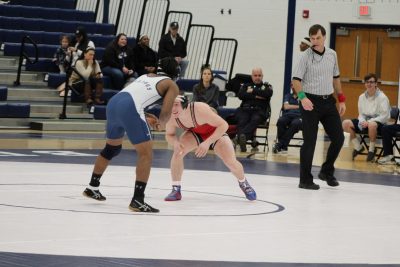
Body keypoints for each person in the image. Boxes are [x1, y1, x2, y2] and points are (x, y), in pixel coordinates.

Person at [82, 57, 180, 213]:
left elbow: (134, 97)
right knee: (146, 154)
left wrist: (145, 115)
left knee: (111, 149)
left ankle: (92, 187)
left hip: (114, 104)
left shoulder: (145, 76)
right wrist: (161, 124)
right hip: (130, 107)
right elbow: (166, 112)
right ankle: (138, 200)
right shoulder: (171, 84)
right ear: (175, 72)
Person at [163, 95, 257, 201]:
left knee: (230, 161)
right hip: (196, 132)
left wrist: (207, 143)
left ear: (185, 105)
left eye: (176, 105)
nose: (173, 109)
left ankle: (243, 182)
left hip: (216, 131)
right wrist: (175, 143)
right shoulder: (170, 116)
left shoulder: (199, 109)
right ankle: (176, 189)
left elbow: (224, 125)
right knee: (178, 152)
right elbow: (169, 135)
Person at [292, 24, 346, 190]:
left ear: (324, 37)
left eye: (318, 38)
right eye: (312, 38)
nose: (315, 41)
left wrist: (341, 99)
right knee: (310, 141)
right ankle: (305, 180)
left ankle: (326, 171)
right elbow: (296, 80)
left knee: (339, 138)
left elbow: (336, 77)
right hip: (310, 102)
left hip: (328, 101)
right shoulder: (305, 56)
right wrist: (303, 98)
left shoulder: (332, 54)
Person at [342, 73, 390, 162]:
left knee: (372, 125)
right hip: (365, 121)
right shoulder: (361, 97)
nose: (369, 84)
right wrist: (362, 121)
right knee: (345, 123)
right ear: (365, 84)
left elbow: (385, 116)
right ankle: (358, 147)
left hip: (378, 123)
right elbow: (361, 114)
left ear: (376, 84)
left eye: (371, 82)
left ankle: (371, 150)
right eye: (367, 82)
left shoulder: (382, 97)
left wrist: (369, 122)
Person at [234, 67, 273, 152]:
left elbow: (267, 94)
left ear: (262, 76)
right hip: (245, 109)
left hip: (259, 111)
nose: (257, 77)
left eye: (259, 75)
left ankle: (240, 139)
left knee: (255, 119)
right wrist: (256, 96)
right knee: (242, 119)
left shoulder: (266, 86)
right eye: (255, 75)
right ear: (252, 76)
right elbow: (241, 95)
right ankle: (242, 140)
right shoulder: (246, 85)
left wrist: (252, 91)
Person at [273, 87, 302, 154]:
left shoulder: (302, 95)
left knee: (295, 124)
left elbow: (304, 106)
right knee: (280, 121)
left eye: (294, 84)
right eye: (291, 85)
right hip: (287, 115)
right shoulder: (288, 95)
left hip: (299, 116)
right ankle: (283, 146)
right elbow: (286, 107)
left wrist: (290, 105)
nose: (293, 87)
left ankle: (280, 145)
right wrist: (298, 106)